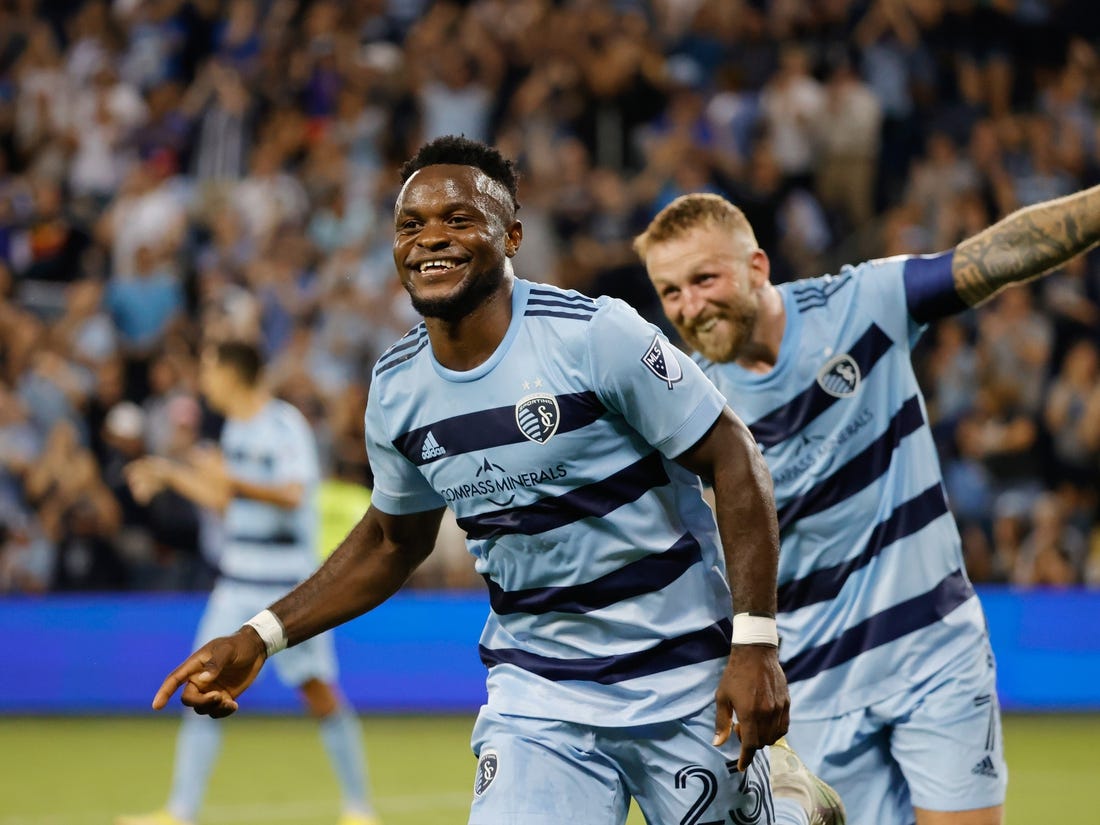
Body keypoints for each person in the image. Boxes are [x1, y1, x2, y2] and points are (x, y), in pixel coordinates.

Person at [148, 136, 843, 825]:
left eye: (458, 219)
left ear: (511, 235)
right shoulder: (397, 388)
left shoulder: (594, 336)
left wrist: (756, 643)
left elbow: (735, 458)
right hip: (536, 693)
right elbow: (392, 541)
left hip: (680, 676)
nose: (430, 239)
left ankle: (788, 806)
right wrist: (260, 635)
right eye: (411, 225)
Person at [635, 184, 1100, 825]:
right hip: (813, 686)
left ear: (757, 266)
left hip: (934, 648)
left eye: (704, 279)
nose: (689, 306)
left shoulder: (861, 304)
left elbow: (1001, 253)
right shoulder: (692, 403)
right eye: (670, 292)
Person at [118, 340, 379, 825]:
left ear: (233, 374)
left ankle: (359, 806)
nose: (204, 381)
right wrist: (170, 475)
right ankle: (181, 811)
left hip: (285, 589)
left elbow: (293, 493)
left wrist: (230, 479)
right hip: (235, 582)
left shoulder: (283, 425)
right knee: (199, 686)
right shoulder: (234, 428)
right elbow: (224, 500)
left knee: (318, 692)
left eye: (209, 369)